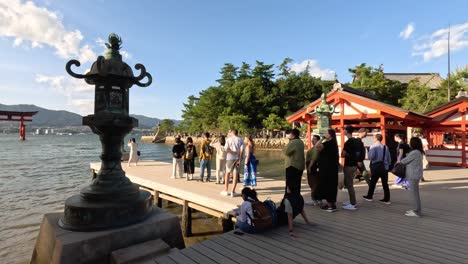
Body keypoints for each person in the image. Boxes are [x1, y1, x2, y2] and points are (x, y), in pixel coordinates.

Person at [363, 134, 392, 204]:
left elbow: (371, 157)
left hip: (376, 166)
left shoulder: (373, 146)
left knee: (373, 182)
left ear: (376, 138)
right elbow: (389, 159)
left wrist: (369, 151)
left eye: (373, 138)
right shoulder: (385, 147)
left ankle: (370, 196)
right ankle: (387, 198)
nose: (373, 139)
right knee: (385, 183)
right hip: (384, 167)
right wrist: (387, 165)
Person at [399, 137, 424, 217]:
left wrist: (400, 158)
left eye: (410, 142)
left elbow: (404, 161)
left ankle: (417, 211)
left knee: (414, 194)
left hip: (413, 175)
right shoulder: (418, 152)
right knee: (414, 193)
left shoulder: (415, 152)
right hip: (415, 174)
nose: (409, 144)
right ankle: (416, 209)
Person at [316, 129, 339, 212]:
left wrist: (322, 138)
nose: (325, 134)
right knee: (332, 186)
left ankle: (330, 206)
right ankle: (332, 204)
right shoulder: (334, 143)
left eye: (326, 133)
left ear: (329, 135)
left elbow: (317, 146)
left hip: (327, 170)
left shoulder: (328, 143)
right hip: (332, 169)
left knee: (328, 186)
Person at [340, 125, 359, 210]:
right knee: (349, 183)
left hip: (349, 165)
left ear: (347, 131)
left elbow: (342, 154)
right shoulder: (356, 141)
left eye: (344, 130)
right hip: (354, 165)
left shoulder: (348, 142)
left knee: (349, 184)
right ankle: (351, 201)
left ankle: (353, 203)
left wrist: (347, 154)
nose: (343, 131)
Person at [221, 128, 243, 197]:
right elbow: (242, 150)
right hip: (237, 159)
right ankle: (233, 191)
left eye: (230, 132)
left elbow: (226, 149)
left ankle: (226, 189)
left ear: (232, 133)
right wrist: (240, 158)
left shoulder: (228, 139)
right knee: (235, 175)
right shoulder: (240, 140)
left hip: (229, 158)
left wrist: (233, 152)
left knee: (227, 173)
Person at [282, 128, 305, 195]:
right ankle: (296, 199)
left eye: (289, 134)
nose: (287, 135)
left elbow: (285, 152)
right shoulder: (300, 141)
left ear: (293, 135)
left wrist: (287, 144)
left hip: (292, 165)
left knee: (290, 185)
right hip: (299, 166)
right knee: (297, 185)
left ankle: (289, 200)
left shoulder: (293, 142)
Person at [306, 135, 321, 205]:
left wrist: (309, 166)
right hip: (315, 167)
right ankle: (318, 199)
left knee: (313, 183)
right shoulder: (317, 148)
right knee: (316, 183)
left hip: (313, 167)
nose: (312, 140)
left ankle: (314, 199)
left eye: (314, 139)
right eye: (312, 139)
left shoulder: (316, 148)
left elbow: (314, 158)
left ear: (318, 140)